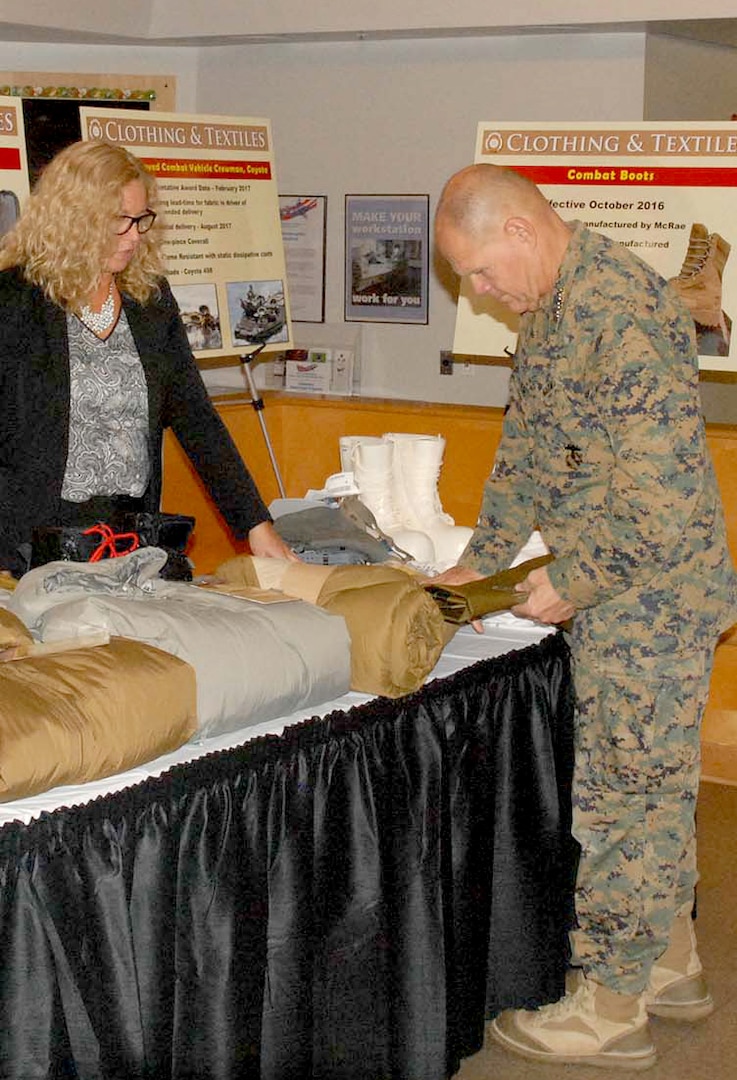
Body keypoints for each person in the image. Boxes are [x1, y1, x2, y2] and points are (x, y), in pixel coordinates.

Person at [434, 163, 737, 1070]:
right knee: (651, 789)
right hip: (624, 588)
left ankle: (608, 1005)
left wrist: (574, 577)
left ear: (522, 233)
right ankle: (670, 967)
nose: (481, 295)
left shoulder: (620, 311)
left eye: (482, 273)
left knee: (620, 803)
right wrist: (482, 557)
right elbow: (527, 441)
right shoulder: (552, 308)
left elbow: (657, 502)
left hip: (653, 597)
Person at [0, 139, 294, 577]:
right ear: (73, 220)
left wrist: (254, 523)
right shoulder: (15, 301)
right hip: (27, 547)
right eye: (121, 221)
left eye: (141, 219)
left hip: (126, 540)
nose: (135, 235)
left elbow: (196, 416)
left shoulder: (148, 300)